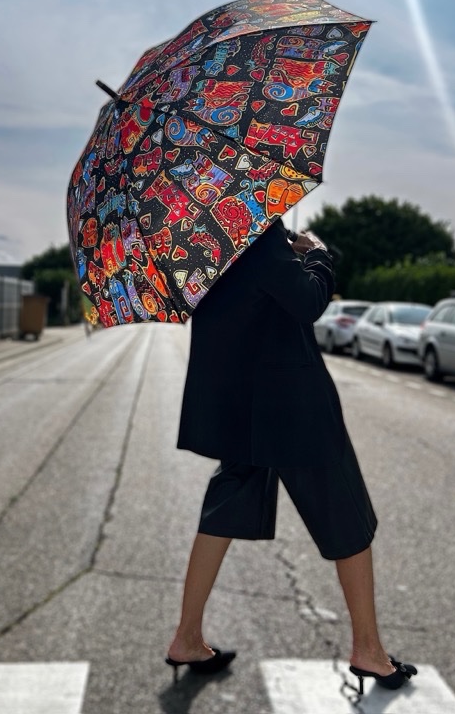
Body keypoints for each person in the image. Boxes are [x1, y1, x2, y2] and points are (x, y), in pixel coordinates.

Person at [165, 218, 417, 695]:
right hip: (292, 406)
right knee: (347, 514)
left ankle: (187, 637)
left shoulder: (203, 240)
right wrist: (319, 254)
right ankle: (368, 649)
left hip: (241, 406)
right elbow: (307, 302)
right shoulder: (255, 233)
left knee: (222, 513)